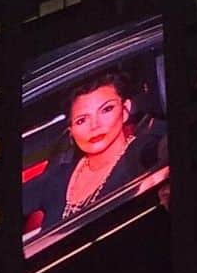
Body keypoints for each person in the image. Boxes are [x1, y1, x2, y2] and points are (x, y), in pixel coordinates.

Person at [23, 70, 169, 246]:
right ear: (71, 131)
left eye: (106, 109)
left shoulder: (140, 153)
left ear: (125, 110)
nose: (95, 126)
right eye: (82, 120)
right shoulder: (58, 176)